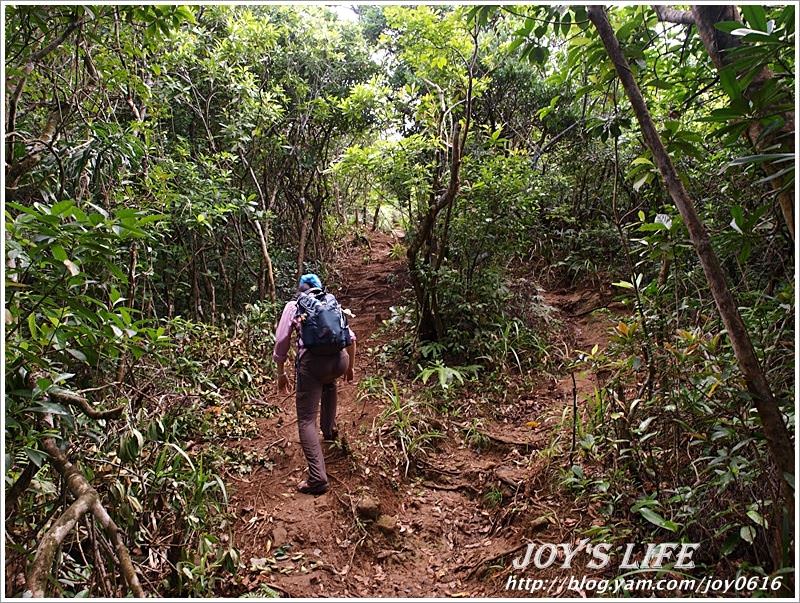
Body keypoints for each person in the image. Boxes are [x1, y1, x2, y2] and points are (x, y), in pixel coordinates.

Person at [273, 273, 356, 495]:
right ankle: (329, 431)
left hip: (313, 364)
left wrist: (281, 372)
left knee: (306, 420)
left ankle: (318, 478)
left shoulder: (294, 305)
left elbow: (281, 340)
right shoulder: (330, 301)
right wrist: (349, 367)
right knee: (328, 382)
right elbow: (351, 337)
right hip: (339, 359)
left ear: (301, 288)